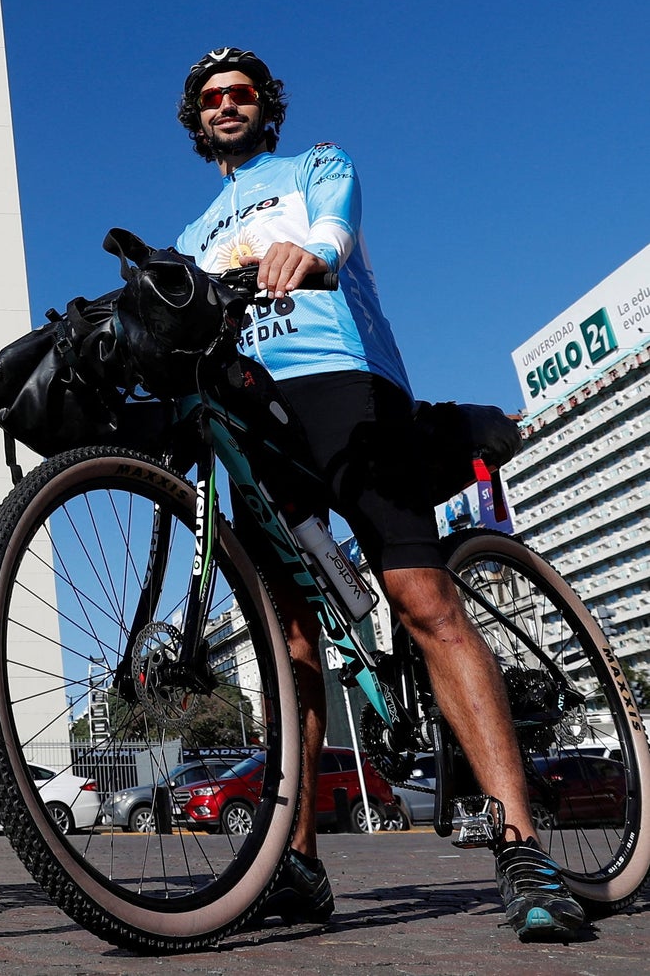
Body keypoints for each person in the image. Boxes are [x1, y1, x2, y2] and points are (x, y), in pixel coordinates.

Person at [173, 48, 584, 942]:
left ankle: (521, 843)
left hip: (343, 384)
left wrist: (310, 248)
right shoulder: (193, 235)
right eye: (212, 99)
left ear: (263, 107)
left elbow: (336, 220)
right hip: (255, 417)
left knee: (420, 595)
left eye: (241, 93)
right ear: (197, 120)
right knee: (288, 640)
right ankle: (302, 862)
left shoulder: (313, 164)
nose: (227, 105)